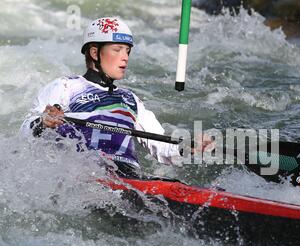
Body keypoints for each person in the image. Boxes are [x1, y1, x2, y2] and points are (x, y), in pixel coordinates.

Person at [21, 17, 208, 177]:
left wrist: (189, 147)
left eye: (127, 51)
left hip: (130, 179)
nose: (125, 57)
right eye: (117, 50)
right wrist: (42, 122)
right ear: (95, 53)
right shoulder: (65, 86)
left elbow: (164, 147)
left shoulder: (130, 99)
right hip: (84, 174)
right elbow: (24, 133)